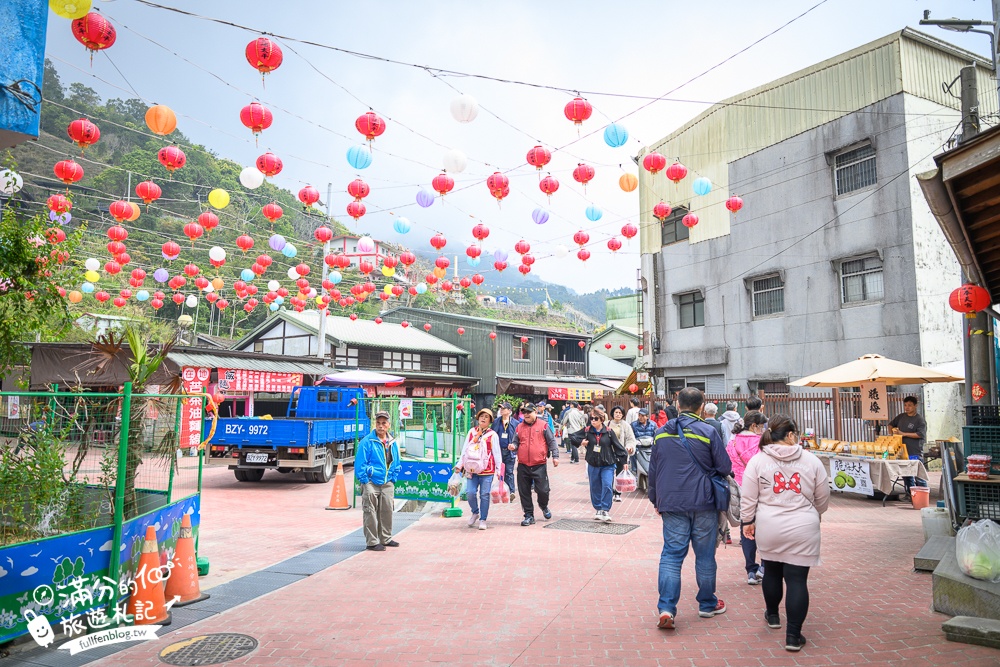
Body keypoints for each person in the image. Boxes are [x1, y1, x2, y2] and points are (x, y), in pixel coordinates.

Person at [740, 414, 830, 653]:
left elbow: (748, 497)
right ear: (790, 435)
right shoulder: (812, 460)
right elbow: (823, 499)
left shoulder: (758, 461)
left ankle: (772, 616)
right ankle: (793, 635)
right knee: (797, 580)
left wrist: (747, 521)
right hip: (803, 527)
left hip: (769, 526)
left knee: (771, 571)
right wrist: (814, 511)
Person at [649, 388, 732, 629]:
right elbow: (724, 467)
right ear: (701, 406)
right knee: (705, 555)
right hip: (704, 502)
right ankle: (707, 604)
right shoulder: (708, 431)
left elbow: (654, 471)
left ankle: (666, 608)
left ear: (678, 403)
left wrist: (656, 500)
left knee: (672, 556)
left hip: (672, 502)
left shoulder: (662, 433)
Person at [726, 411, 768, 585]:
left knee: (746, 529)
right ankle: (764, 566)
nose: (762, 429)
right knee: (764, 528)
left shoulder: (732, 441)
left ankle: (751, 570)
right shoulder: (761, 442)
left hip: (739, 489)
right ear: (753, 426)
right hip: (760, 490)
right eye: (761, 426)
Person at [355, 410, 402, 551]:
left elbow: (396, 461)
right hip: (370, 482)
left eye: (384, 423)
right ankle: (372, 542)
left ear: (389, 425)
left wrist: (393, 478)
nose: (381, 426)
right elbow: (360, 463)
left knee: (387, 510)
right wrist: (365, 480)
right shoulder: (367, 442)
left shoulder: (392, 442)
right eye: (378, 423)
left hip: (387, 482)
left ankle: (386, 538)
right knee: (370, 511)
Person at [571, 410, 625, 522]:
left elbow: (618, 447)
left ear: (601, 419)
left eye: (596, 418)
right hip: (593, 464)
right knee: (595, 487)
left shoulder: (609, 432)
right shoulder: (587, 430)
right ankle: (598, 509)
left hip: (608, 464)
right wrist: (581, 442)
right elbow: (572, 437)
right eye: (591, 418)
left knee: (607, 485)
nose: (593, 421)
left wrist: (624, 462)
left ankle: (605, 509)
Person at [511, 403, 559, 526]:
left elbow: (552, 441)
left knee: (543, 490)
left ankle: (543, 506)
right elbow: (515, 442)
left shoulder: (543, 426)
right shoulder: (519, 427)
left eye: (528, 412)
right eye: (524, 412)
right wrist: (513, 446)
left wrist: (555, 456)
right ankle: (528, 515)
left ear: (534, 412)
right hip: (523, 465)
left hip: (539, 464)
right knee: (524, 491)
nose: (526, 414)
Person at [457, 408, 503, 530]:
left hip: (487, 470)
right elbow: (465, 449)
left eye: (486, 417)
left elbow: (497, 453)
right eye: (481, 416)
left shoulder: (492, 435)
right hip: (471, 469)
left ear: (490, 421)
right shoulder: (472, 432)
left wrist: (499, 470)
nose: (483, 418)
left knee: (484, 494)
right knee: (470, 493)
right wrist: (459, 464)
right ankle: (475, 512)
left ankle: (483, 519)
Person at [889, 396, 928, 493]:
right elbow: (890, 424)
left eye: (910, 405)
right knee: (906, 475)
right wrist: (892, 434)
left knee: (919, 476)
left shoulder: (919, 420)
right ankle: (910, 494)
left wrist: (903, 434)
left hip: (915, 451)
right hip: (902, 451)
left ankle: (923, 496)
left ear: (915, 406)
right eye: (905, 405)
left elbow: (920, 434)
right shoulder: (901, 416)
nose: (907, 407)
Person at [491, 402, 520, 503]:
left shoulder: (516, 423)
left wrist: (516, 449)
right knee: (500, 472)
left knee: (509, 472)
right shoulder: (496, 422)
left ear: (509, 411)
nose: (502, 410)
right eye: (501, 409)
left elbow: (518, 438)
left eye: (504, 408)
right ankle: (501, 491)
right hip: (498, 451)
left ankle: (511, 492)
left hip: (510, 452)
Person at [608, 405, 637, 502]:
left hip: (621, 453)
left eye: (620, 413)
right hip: (609, 453)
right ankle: (610, 492)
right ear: (612, 413)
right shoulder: (607, 424)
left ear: (623, 414)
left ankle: (617, 493)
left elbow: (630, 439)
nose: (618, 414)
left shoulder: (626, 425)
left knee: (620, 473)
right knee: (609, 473)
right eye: (616, 412)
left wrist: (630, 447)